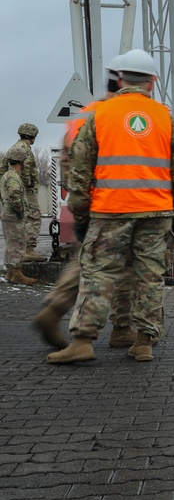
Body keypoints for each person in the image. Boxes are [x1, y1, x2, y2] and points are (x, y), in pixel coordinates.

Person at [46, 49, 174, 365]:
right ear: (152, 82)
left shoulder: (101, 115)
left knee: (98, 275)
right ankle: (143, 343)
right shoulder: (166, 118)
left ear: (120, 79)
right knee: (149, 277)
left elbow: (82, 170)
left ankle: (83, 342)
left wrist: (82, 214)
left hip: (110, 211)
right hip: (157, 214)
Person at [33, 62, 137, 350]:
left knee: (84, 262)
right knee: (123, 266)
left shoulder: (83, 116)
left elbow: (68, 161)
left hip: (86, 201)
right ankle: (121, 328)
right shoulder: (118, 115)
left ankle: (54, 308)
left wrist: (79, 199)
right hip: (115, 204)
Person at [1, 123, 44, 262]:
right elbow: (26, 171)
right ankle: (28, 249)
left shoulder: (12, 148)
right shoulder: (25, 149)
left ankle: (18, 253)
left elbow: (2, 169)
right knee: (33, 217)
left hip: (13, 187)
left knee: (18, 220)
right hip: (25, 189)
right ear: (32, 136)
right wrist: (28, 186)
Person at [1, 145, 38, 285]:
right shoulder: (14, 177)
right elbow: (14, 195)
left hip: (7, 213)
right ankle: (17, 274)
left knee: (11, 244)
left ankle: (10, 272)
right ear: (21, 161)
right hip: (13, 215)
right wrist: (21, 211)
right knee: (18, 243)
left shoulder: (6, 175)